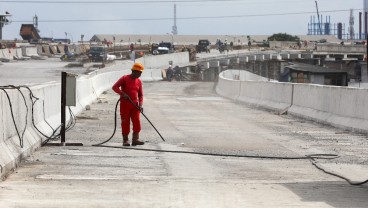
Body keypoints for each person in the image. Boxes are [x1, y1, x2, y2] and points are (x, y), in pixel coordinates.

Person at [112, 63, 145, 146]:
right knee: (125, 122)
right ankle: (125, 140)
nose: (140, 74)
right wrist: (122, 94)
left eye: (141, 73)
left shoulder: (139, 81)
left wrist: (140, 104)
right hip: (125, 105)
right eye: (139, 72)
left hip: (135, 105)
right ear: (134, 71)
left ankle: (135, 139)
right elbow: (115, 87)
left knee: (137, 122)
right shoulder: (124, 78)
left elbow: (140, 95)